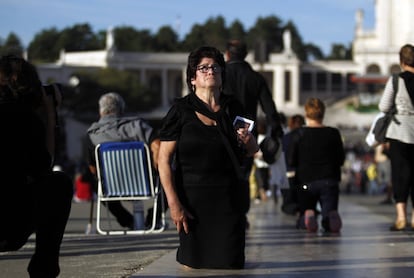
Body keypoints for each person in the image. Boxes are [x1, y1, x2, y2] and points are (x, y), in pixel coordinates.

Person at [157, 46, 258, 269]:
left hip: (229, 199)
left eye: (215, 67)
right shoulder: (180, 110)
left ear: (222, 75)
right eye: (203, 68)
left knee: (230, 264)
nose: (210, 71)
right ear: (192, 78)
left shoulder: (234, 107)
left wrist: (248, 140)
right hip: (192, 202)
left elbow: (251, 150)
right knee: (193, 266)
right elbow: (163, 160)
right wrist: (174, 204)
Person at [0, 55, 73, 277]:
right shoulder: (23, 118)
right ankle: (44, 268)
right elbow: (44, 167)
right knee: (58, 183)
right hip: (9, 221)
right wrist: (51, 116)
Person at [86, 92, 161, 229]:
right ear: (122, 109)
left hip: (112, 188)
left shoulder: (92, 134)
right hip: (145, 184)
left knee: (95, 183)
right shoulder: (139, 126)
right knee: (171, 177)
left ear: (100, 111)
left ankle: (127, 221)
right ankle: (153, 218)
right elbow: (157, 145)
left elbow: (93, 168)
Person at [223, 40, 284, 209]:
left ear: (227, 54)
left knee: (224, 172)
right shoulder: (256, 78)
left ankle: (227, 209)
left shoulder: (220, 74)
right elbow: (269, 109)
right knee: (243, 175)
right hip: (248, 134)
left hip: (223, 132)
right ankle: (241, 212)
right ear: (245, 55)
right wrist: (277, 130)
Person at [286, 98, 345, 233]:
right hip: (329, 180)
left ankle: (307, 215)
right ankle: (329, 217)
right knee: (329, 209)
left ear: (306, 114)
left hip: (305, 181)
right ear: (323, 113)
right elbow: (341, 159)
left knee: (306, 209)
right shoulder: (333, 133)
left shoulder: (298, 134)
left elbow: (290, 160)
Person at [378, 44, 414, 231]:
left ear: (401, 61)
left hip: (400, 132)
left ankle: (401, 217)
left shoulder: (395, 80)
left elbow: (383, 107)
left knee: (400, 175)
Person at [281, 114, 305, 215]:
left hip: (288, 171)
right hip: (302, 172)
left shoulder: (286, 137)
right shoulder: (305, 136)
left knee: (289, 199)